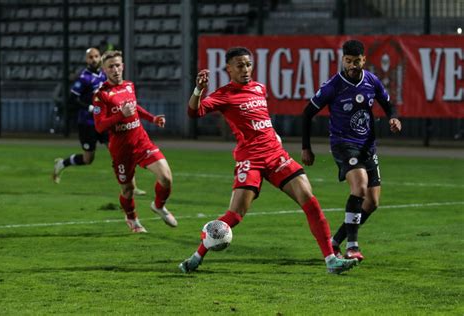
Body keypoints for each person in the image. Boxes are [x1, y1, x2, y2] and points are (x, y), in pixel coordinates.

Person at [179, 46, 358, 274]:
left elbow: (260, 120)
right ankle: (196, 257)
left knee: (310, 201)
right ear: (229, 69)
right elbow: (194, 113)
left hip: (276, 155)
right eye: (240, 65)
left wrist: (272, 134)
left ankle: (331, 260)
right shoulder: (224, 95)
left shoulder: (259, 88)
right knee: (234, 215)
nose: (246, 69)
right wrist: (198, 90)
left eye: (248, 64)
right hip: (250, 159)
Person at [302, 40, 402, 261]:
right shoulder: (333, 86)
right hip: (343, 144)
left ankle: (335, 242)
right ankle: (352, 247)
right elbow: (307, 113)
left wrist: (393, 117)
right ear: (342, 60)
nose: (352, 65)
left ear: (364, 60)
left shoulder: (371, 81)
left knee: (372, 202)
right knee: (360, 187)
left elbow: (388, 104)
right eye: (348, 61)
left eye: (357, 61)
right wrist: (306, 148)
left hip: (367, 146)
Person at [92, 50, 178, 233]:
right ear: (104, 71)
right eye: (110, 67)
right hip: (122, 150)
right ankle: (131, 218)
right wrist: (119, 116)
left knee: (166, 177)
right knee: (128, 190)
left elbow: (134, 106)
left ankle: (159, 206)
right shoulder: (101, 95)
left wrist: (152, 118)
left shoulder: (129, 85)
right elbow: (99, 127)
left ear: (122, 66)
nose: (115, 69)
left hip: (141, 142)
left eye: (117, 65)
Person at [52, 47, 146, 196]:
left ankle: (132, 188)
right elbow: (72, 100)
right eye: (91, 57)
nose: (94, 59)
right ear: (86, 60)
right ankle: (62, 163)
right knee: (88, 159)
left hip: (106, 122)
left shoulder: (105, 74)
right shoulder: (84, 78)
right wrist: (89, 107)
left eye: (96, 56)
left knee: (119, 152)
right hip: (88, 124)